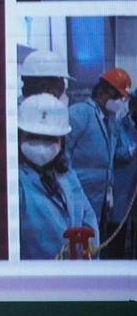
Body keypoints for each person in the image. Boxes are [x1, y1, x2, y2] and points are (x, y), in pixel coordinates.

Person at [18, 94, 98, 260]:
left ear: (62, 141)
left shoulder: (67, 175)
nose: (40, 146)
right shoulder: (15, 182)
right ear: (19, 137)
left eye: (49, 139)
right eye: (32, 137)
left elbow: (88, 218)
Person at [67, 68, 134, 229]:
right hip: (79, 194)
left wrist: (109, 188)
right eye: (117, 97)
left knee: (96, 244)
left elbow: (110, 159)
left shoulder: (110, 122)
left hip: (100, 199)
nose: (119, 102)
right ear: (103, 92)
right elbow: (64, 153)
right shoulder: (81, 113)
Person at [105, 91, 137, 259]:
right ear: (133, 107)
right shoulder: (118, 125)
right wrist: (133, 149)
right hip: (122, 188)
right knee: (117, 231)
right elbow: (114, 153)